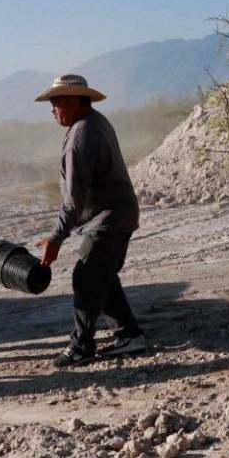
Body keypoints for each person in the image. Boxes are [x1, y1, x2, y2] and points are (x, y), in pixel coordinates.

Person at [34, 74, 147, 368]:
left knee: (85, 277)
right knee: (101, 276)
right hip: (115, 215)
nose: (52, 109)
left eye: (56, 101)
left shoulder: (82, 134)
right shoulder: (92, 123)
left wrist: (56, 237)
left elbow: (74, 199)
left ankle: (81, 345)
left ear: (73, 100)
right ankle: (129, 336)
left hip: (108, 218)